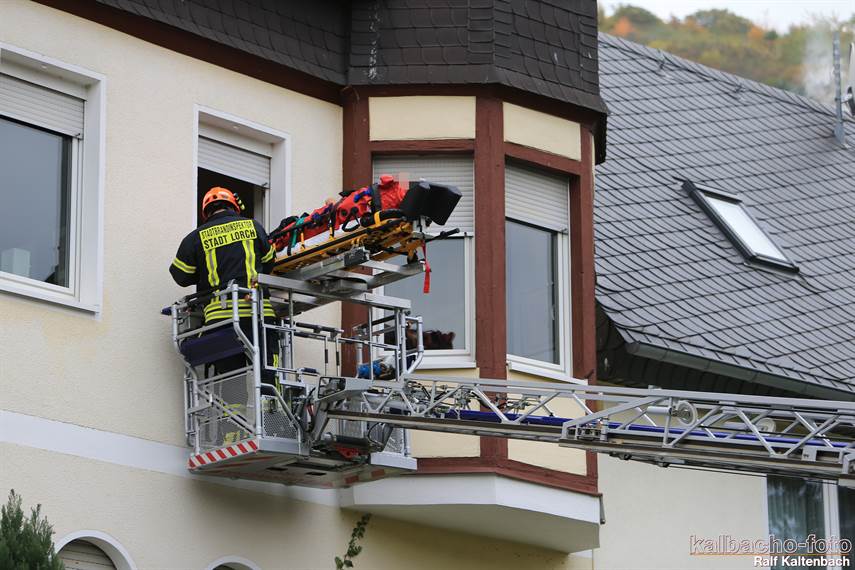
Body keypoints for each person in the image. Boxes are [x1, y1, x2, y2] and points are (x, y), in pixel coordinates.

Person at [170, 187, 279, 385]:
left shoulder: (195, 238)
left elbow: (181, 276)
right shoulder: (253, 226)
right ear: (234, 207)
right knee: (267, 372)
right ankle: (271, 405)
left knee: (231, 381)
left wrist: (204, 270)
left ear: (206, 212)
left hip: (220, 318)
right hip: (258, 313)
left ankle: (233, 407)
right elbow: (269, 262)